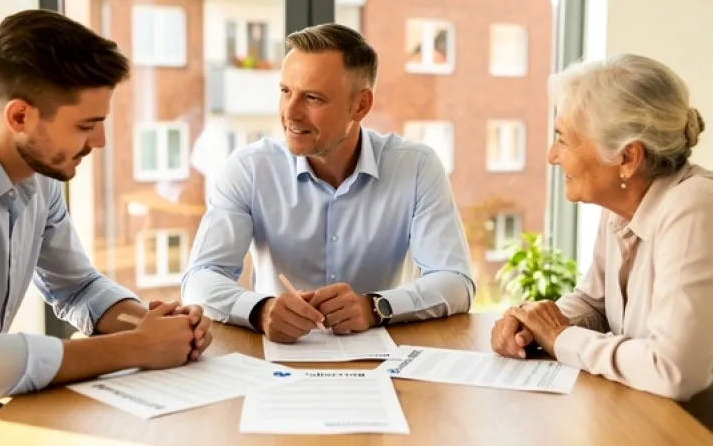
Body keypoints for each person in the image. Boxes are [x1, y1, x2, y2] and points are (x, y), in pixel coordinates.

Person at [0, 9, 213, 443]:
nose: (99, 142)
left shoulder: (35, 173)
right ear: (19, 117)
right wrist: (135, 348)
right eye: (85, 126)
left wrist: (155, 326)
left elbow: (77, 288)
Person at [181, 23, 475, 343]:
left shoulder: (416, 167)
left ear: (360, 105)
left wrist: (376, 306)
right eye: (285, 92)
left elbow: (455, 282)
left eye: (312, 98)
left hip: (379, 362)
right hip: (278, 360)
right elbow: (199, 279)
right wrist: (259, 309)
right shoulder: (249, 169)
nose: (290, 113)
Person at [491, 54, 713, 401]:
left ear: (626, 158)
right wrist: (534, 324)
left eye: (563, 139)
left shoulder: (695, 206)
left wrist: (561, 337)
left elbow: (674, 371)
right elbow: (595, 305)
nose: (552, 155)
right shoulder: (621, 206)